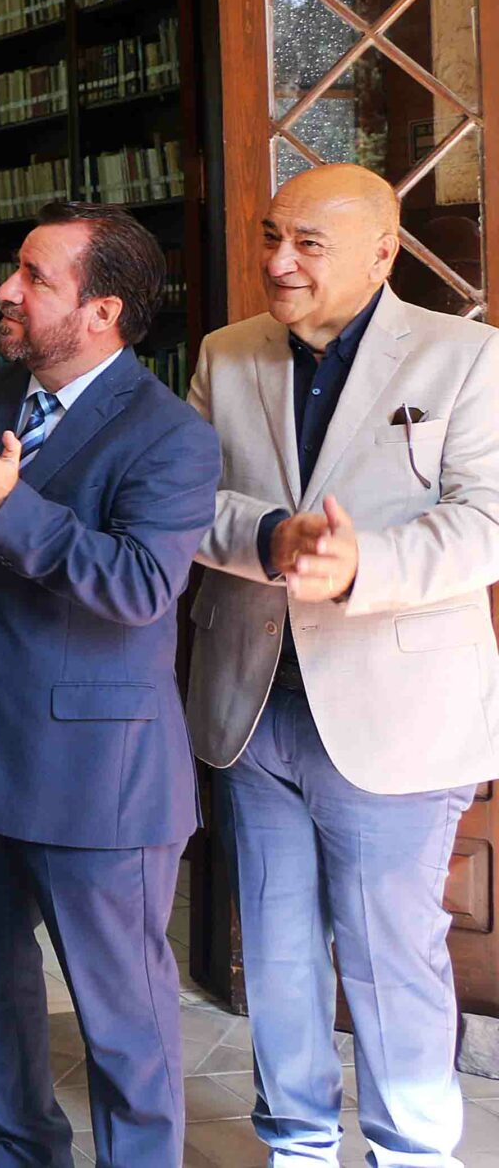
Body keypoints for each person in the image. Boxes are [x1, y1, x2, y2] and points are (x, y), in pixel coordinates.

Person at [0, 202, 218, 1168]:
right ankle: (22, 1150)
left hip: (95, 776)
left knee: (124, 1018)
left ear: (103, 310)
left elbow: (143, 587)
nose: (5, 290)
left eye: (33, 277)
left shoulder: (169, 437)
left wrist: (9, 506)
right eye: (13, 272)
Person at [184, 164, 499, 1167]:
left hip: (394, 711)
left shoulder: (464, 359)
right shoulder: (224, 356)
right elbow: (182, 504)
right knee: (274, 952)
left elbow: (486, 524)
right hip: (252, 703)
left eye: (306, 244)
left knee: (384, 952)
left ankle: (410, 1150)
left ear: (380, 253)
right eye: (271, 236)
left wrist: (367, 563)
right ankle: (299, 1143)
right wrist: (270, 535)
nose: (277, 261)